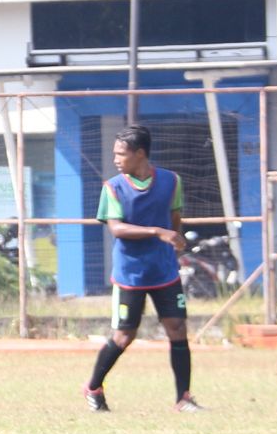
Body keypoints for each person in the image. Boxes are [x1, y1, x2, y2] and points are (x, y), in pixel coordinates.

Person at [83, 123, 202, 413]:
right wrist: (157, 233)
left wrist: (173, 241)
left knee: (177, 329)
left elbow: (175, 219)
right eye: (115, 154)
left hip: (164, 271)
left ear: (140, 154)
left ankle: (183, 398)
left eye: (121, 154)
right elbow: (117, 229)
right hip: (130, 274)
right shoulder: (113, 187)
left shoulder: (171, 181)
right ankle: (93, 388)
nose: (115, 159)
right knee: (124, 336)